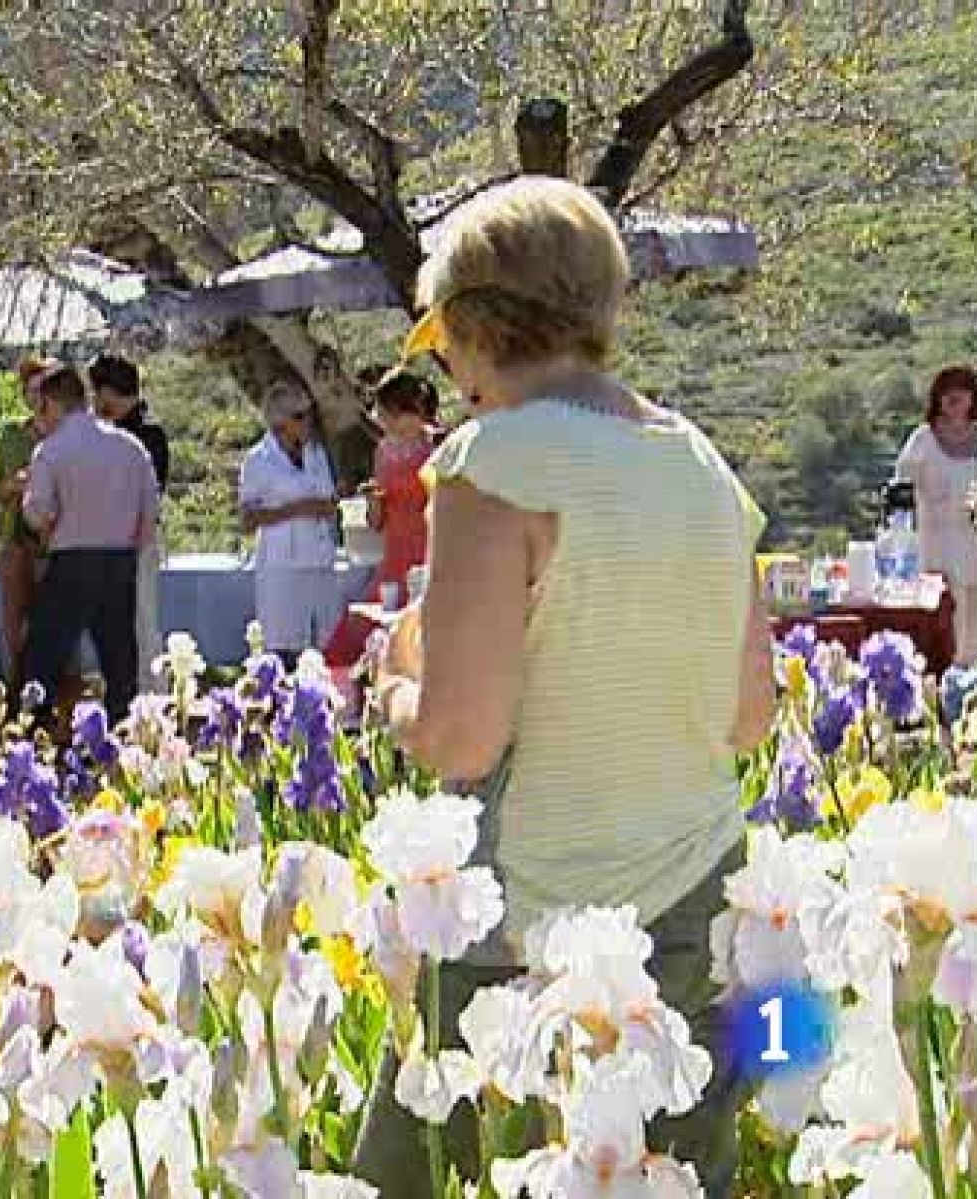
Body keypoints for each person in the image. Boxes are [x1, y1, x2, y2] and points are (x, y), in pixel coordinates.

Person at [354, 177, 776, 1198]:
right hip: (695, 910)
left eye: (438, 341)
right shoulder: (702, 465)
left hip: (526, 927)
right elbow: (748, 713)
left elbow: (460, 736)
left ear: (465, 324)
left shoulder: (494, 460)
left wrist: (392, 689)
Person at [20, 362, 158, 725]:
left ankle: (35, 728)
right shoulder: (132, 448)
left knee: (44, 651)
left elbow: (38, 512)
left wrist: (46, 527)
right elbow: (149, 515)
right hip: (120, 559)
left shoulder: (50, 451)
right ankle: (122, 730)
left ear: (50, 404)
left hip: (71, 559)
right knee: (119, 656)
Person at [321, 367, 437, 691]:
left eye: (386, 413)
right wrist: (373, 501)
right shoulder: (384, 451)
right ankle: (346, 692)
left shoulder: (438, 447)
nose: (382, 421)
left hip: (430, 545)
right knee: (368, 623)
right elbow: (376, 521)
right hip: (394, 549)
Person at [238, 381, 342, 668]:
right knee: (283, 649)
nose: (308, 421)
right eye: (299, 416)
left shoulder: (316, 453)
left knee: (328, 641)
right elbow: (247, 520)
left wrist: (329, 505)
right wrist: (294, 510)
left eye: (309, 414)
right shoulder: (258, 460)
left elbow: (328, 498)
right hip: (280, 565)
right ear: (279, 421)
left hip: (319, 560)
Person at [90, 353, 170, 691]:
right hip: (107, 540)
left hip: (137, 540)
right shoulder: (105, 431)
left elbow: (150, 493)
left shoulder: (148, 434)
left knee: (141, 620)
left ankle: (152, 691)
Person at [896, 365, 977, 666]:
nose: (955, 397)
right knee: (943, 651)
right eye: (948, 391)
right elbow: (899, 497)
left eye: (962, 390)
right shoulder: (922, 441)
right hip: (935, 562)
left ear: (973, 398)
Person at [0, 359, 53, 692]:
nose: (37, 398)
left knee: (51, 621)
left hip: (54, 543)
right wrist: (13, 485)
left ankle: (47, 689)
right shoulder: (11, 436)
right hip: (15, 540)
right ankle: (14, 688)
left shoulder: (66, 436)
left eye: (44, 390)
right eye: (31, 391)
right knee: (12, 620)